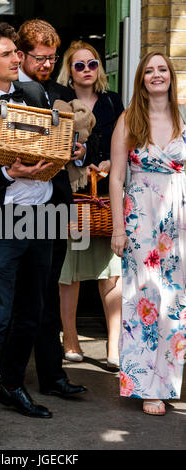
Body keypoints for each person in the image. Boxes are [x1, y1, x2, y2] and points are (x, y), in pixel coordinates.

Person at [0, 21, 78, 447]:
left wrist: (69, 149)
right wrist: (9, 171)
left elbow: (53, 143)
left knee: (32, 312)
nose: (17, 58)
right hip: (1, 220)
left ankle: (11, 385)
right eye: (8, 53)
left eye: (16, 53)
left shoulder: (39, 96)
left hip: (42, 216)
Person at [1, 19, 87, 398]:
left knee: (48, 293)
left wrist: (82, 153)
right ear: (21, 55)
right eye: (40, 57)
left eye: (53, 58)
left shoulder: (64, 92)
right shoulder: (8, 91)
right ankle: (9, 380)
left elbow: (90, 143)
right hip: (13, 208)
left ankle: (52, 377)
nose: (47, 64)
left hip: (54, 204)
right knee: (16, 296)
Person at [109, 52, 186, 415]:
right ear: (141, 79)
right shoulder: (129, 119)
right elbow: (117, 178)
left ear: (170, 77)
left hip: (179, 220)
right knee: (144, 299)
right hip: (141, 218)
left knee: (176, 300)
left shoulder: (183, 118)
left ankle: (169, 381)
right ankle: (146, 385)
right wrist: (118, 229)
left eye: (162, 70)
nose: (157, 75)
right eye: (149, 71)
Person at [57, 41, 123, 368]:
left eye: (92, 64)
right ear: (69, 70)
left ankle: (114, 345)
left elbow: (127, 141)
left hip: (106, 196)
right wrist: (78, 154)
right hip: (74, 194)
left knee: (111, 272)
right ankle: (70, 338)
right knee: (70, 271)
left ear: (100, 68)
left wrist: (110, 163)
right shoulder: (59, 103)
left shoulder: (112, 103)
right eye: (79, 65)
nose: (86, 70)